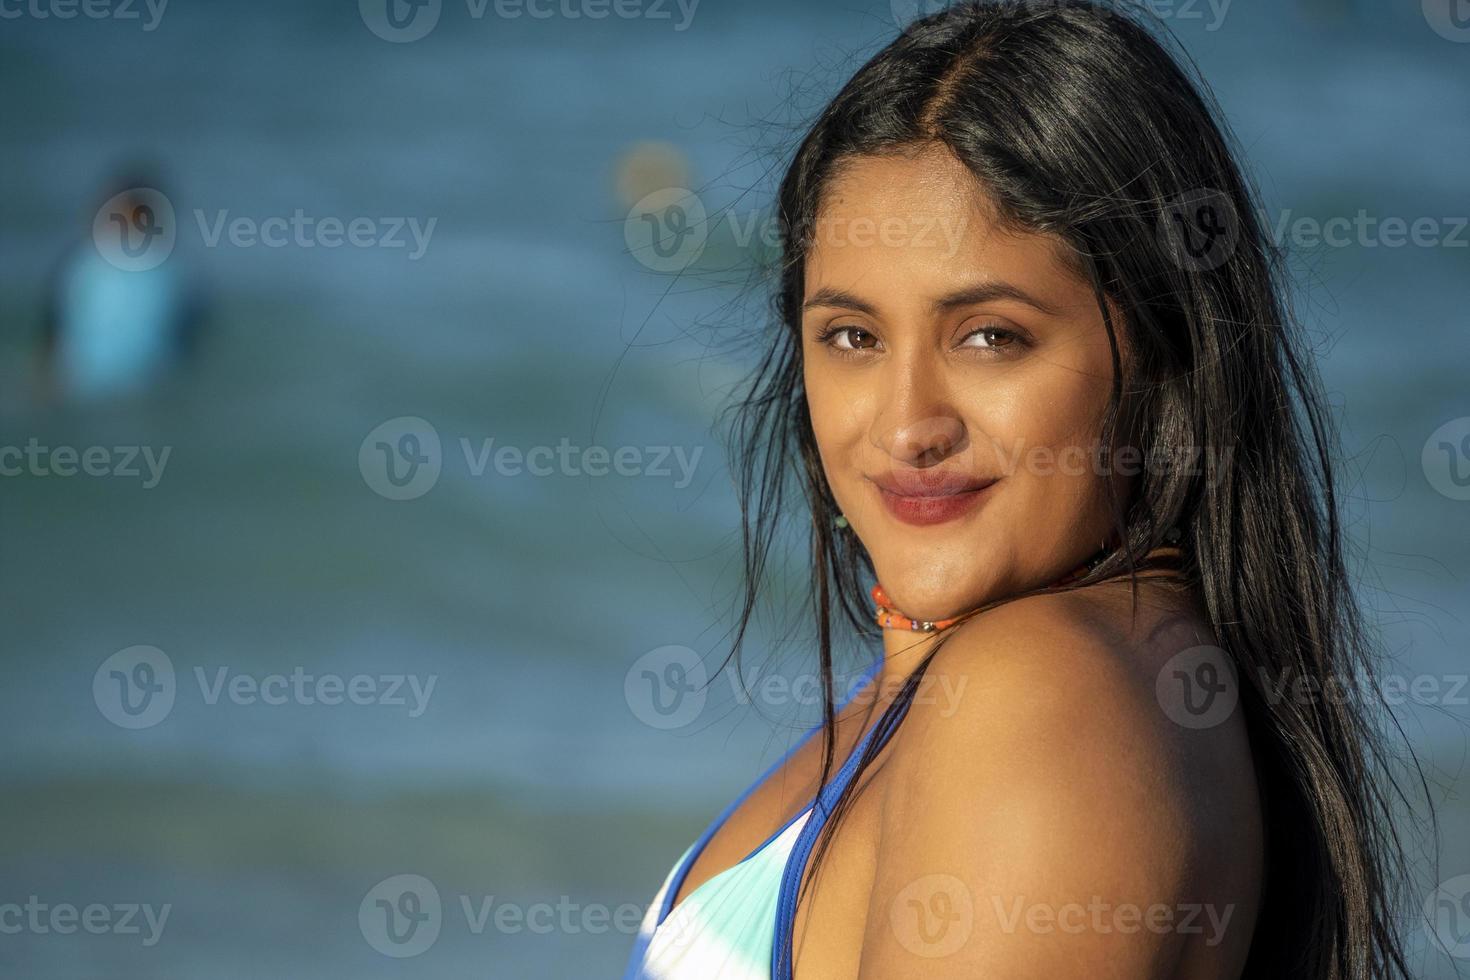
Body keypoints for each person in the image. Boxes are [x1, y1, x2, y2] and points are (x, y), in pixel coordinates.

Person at [623, 2, 1421, 978]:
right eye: (852, 337)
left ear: (1162, 354)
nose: (908, 422)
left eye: (991, 335)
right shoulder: (997, 678)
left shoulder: (1038, 697)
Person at [38, 170, 205, 407]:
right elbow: (189, 346)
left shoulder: (77, 267)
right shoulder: (180, 276)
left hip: (77, 387)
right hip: (150, 390)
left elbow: (50, 343)